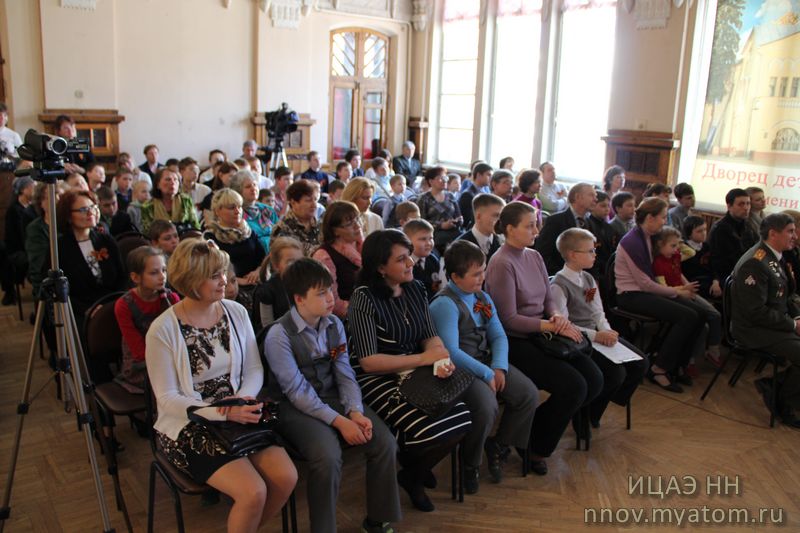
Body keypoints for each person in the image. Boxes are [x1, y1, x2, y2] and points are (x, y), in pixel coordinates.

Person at [146, 239, 297, 531]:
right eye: (214, 275)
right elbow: (167, 398)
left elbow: (253, 368)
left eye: (223, 272)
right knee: (253, 492)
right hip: (189, 422)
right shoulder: (162, 330)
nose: (224, 280)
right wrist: (224, 412)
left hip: (237, 412)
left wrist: (241, 400)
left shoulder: (235, 311)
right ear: (191, 280)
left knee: (286, 477)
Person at [265, 258, 400, 533]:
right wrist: (340, 422)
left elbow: (344, 372)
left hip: (331, 395)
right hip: (293, 407)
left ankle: (378, 519)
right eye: (321, 293)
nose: (330, 298)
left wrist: (355, 411)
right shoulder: (278, 335)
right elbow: (297, 391)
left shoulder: (333, 324)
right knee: (327, 456)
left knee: (384, 442)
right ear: (299, 299)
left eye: (330, 289)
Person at [347, 230, 471, 512]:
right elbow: (368, 362)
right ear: (381, 268)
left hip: (417, 368)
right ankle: (415, 471)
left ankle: (412, 473)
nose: (411, 263)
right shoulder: (363, 299)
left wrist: (440, 359)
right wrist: (424, 359)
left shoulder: (415, 288)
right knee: (426, 431)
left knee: (461, 419)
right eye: (401, 259)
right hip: (379, 377)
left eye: (409, 256)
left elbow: (429, 334)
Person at [484, 202, 602, 475]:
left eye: (536, 224)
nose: (537, 230)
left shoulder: (534, 256)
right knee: (574, 386)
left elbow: (548, 298)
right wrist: (551, 325)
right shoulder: (501, 263)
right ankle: (535, 448)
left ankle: (521, 433)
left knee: (594, 380)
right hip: (516, 341)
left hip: (544, 333)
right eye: (530, 226)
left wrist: (557, 316)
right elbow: (508, 319)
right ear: (510, 229)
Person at [430, 241, 538, 494]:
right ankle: (471, 462)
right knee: (486, 407)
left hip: (486, 360)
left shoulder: (482, 297)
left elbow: (498, 335)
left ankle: (499, 444)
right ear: (455, 276)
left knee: (528, 394)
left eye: (483, 270)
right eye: (475, 274)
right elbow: (450, 351)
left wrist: (499, 367)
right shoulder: (444, 304)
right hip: (460, 368)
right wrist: (487, 373)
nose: (482, 277)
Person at [550, 229, 648, 429]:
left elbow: (597, 311)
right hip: (577, 339)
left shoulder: (588, 279)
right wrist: (597, 335)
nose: (595, 255)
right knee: (615, 374)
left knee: (641, 363)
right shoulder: (558, 285)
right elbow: (564, 324)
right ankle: (585, 415)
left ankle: (598, 404)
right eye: (590, 251)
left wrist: (607, 330)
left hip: (597, 334)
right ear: (573, 255)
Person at [615, 198, 708, 393]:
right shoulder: (633, 241)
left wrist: (679, 288)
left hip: (646, 291)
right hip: (631, 295)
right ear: (650, 217)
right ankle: (659, 368)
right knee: (687, 316)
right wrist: (677, 291)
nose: (665, 221)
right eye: (663, 217)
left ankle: (678, 365)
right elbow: (645, 283)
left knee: (700, 314)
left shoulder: (649, 236)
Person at [732, 213, 800, 427]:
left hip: (772, 322)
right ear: (773, 233)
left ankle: (774, 385)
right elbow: (755, 312)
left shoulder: (773, 256)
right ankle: (784, 404)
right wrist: (793, 324)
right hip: (753, 329)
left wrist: (797, 317)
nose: (795, 236)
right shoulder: (755, 262)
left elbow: (787, 295)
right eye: (790, 231)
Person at [54, 190, 125, 337]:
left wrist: (115, 304)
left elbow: (122, 276)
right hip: (80, 310)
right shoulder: (59, 248)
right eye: (83, 210)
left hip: (112, 303)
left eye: (92, 207)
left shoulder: (105, 240)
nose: (90, 212)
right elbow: (60, 291)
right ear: (68, 216)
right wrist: (88, 310)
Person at [652, 226, 723, 367]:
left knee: (715, 314)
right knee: (702, 325)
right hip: (674, 294)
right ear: (660, 244)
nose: (676, 249)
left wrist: (678, 243)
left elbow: (691, 252)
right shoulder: (658, 263)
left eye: (677, 245)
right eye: (673, 246)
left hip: (684, 290)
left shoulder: (675, 255)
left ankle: (710, 351)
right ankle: (690, 360)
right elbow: (664, 288)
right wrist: (684, 289)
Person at [114, 246, 179, 391]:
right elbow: (138, 350)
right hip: (142, 364)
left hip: (171, 358)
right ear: (135, 277)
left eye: (164, 270)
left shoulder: (171, 298)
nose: (162, 276)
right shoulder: (124, 305)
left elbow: (180, 333)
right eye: (154, 273)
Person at [204, 189, 266, 313]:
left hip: (255, 282)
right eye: (232, 207)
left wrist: (258, 271)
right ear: (218, 211)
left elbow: (263, 257)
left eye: (239, 206)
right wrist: (237, 280)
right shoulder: (210, 236)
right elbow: (212, 270)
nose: (238, 211)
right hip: (227, 288)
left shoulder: (247, 231)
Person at [311, 201, 363, 319]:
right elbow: (332, 302)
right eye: (350, 224)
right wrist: (364, 311)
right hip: (347, 318)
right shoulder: (324, 256)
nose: (357, 225)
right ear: (335, 231)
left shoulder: (365, 245)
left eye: (357, 219)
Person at [533, 182, 597, 275]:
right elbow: (543, 253)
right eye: (591, 195)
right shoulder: (556, 221)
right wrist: (563, 275)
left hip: (584, 278)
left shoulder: (591, 223)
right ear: (578, 197)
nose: (595, 199)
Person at [708, 188, 759, 291]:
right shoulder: (720, 228)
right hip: (729, 275)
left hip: (747, 270)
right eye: (741, 204)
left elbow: (756, 249)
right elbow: (718, 260)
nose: (746, 208)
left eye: (748, 204)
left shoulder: (749, 226)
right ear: (729, 206)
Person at [254, 237, 303, 327]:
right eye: (290, 262)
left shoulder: (308, 283)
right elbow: (267, 325)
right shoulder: (267, 291)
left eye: (300, 261)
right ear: (276, 266)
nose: (297, 266)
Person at [2, 176, 35, 305]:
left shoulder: (32, 207)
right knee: (37, 262)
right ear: (23, 190)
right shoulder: (14, 210)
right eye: (32, 186)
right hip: (18, 250)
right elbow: (18, 237)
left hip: (28, 246)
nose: (35, 188)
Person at [229, 170, 279, 254]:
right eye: (248, 186)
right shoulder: (236, 213)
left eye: (255, 185)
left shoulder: (267, 210)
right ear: (238, 191)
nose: (253, 189)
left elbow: (281, 232)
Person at [416, 166, 463, 254]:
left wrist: (457, 221)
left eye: (445, 178)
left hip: (453, 231)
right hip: (434, 233)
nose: (444, 181)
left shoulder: (450, 196)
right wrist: (441, 225)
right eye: (440, 179)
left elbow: (459, 215)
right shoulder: (424, 198)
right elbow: (421, 221)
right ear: (431, 181)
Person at [140, 167, 199, 235]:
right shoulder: (148, 206)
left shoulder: (186, 200)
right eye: (168, 180)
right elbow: (147, 233)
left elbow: (195, 226)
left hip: (185, 238)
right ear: (158, 184)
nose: (172, 183)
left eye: (175, 179)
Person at [271, 180, 322, 256]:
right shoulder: (282, 229)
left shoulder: (320, 224)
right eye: (308, 200)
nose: (314, 205)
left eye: (315, 200)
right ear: (293, 203)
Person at [404, 219, 444, 301]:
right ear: (408, 241)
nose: (428, 243)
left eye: (431, 238)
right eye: (423, 239)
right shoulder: (405, 263)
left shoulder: (433, 260)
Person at [456, 193, 504, 261]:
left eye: (502, 216)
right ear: (479, 217)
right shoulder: (459, 248)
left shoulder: (502, 241)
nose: (501, 221)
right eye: (496, 216)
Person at [680, 215, 718, 298]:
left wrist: (716, 281)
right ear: (689, 234)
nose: (704, 233)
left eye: (705, 229)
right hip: (694, 282)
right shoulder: (685, 249)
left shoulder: (707, 246)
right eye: (699, 231)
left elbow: (714, 265)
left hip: (709, 278)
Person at [584, 191, 615, 278]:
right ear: (593, 206)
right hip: (592, 271)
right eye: (603, 206)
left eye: (608, 206)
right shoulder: (587, 225)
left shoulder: (609, 227)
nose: (607, 209)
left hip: (607, 270)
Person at [459, 162, 492, 229]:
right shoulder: (467, 195)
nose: (491, 178)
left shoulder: (486, 192)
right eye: (488, 175)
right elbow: (467, 220)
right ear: (479, 175)